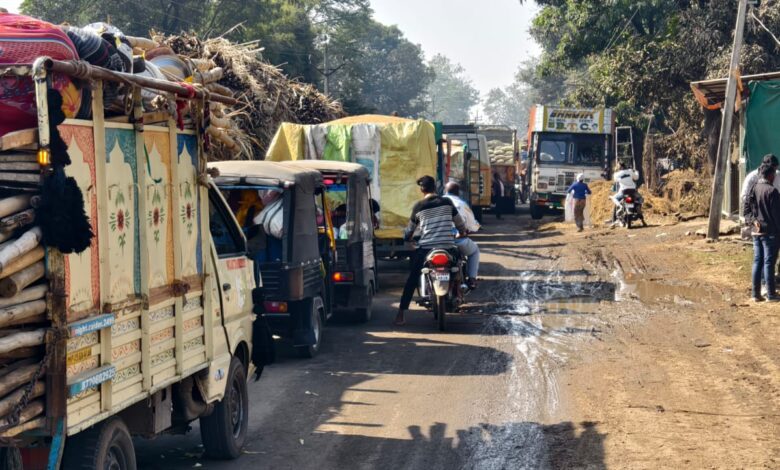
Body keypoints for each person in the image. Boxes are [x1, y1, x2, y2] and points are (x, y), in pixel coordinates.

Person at [396, 176, 466, 326]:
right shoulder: (447, 202)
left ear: (422, 190)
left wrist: (408, 238)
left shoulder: (419, 206)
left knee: (412, 279)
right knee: (460, 263)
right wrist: (462, 232)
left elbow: (409, 231)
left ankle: (400, 314)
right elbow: (460, 223)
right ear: (435, 187)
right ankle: (459, 291)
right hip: (447, 247)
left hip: (426, 250)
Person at [743, 163, 780, 302]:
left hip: (756, 231)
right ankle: (771, 294)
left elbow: (746, 210)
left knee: (758, 261)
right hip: (770, 232)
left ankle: (755, 294)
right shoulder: (772, 191)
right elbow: (777, 216)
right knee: (769, 262)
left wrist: (753, 221)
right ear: (770, 175)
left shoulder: (754, 188)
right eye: (774, 174)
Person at [444, 181, 481, 288]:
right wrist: (477, 227)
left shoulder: (437, 202)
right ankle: (472, 279)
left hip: (436, 240)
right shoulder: (462, 204)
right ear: (458, 192)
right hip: (457, 239)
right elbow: (471, 225)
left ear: (445, 191)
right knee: (474, 251)